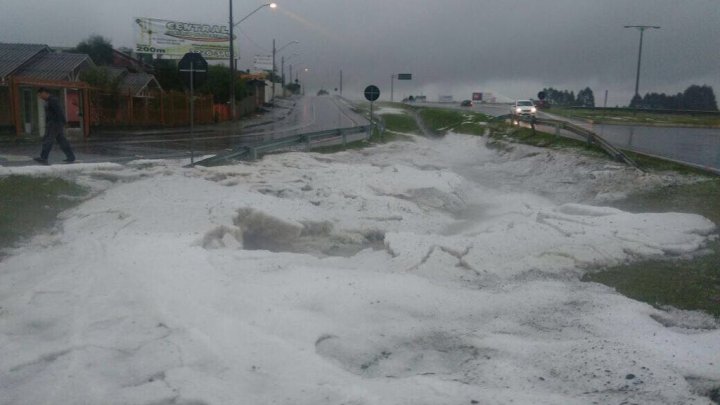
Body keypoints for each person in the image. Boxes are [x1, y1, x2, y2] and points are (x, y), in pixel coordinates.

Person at [34, 87, 75, 164]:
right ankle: (71, 157)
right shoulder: (48, 101)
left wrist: (64, 122)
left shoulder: (53, 100)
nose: (40, 97)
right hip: (54, 123)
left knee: (48, 140)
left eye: (40, 95)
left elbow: (59, 111)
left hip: (54, 123)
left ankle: (44, 157)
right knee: (62, 140)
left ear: (44, 92)